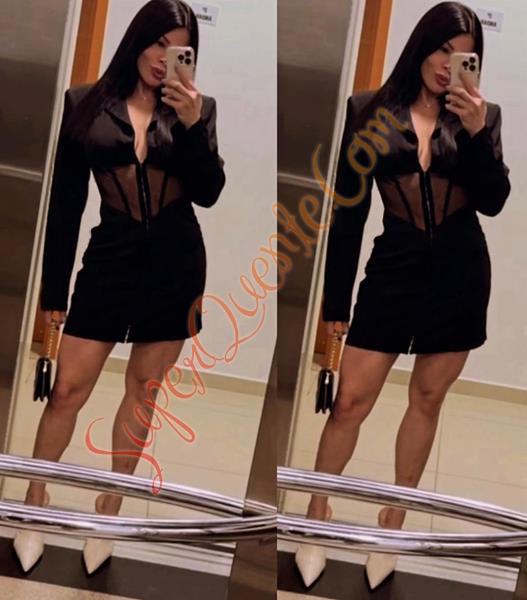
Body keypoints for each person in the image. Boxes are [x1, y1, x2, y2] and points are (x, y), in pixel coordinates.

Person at [295, 1, 510, 590]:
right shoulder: (368, 111)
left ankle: (394, 520)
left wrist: (474, 132)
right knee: (350, 401)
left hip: (461, 275)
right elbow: (347, 216)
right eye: (440, 50)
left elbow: (493, 201)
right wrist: (335, 308)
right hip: (392, 271)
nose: (447, 65)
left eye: (463, 56)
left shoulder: (483, 117)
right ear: (421, 46)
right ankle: (317, 515)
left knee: (427, 399)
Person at [14, 0, 225, 574]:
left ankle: (110, 507)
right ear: (138, 40)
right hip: (109, 260)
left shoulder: (199, 110)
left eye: (178, 49)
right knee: (67, 389)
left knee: (143, 392)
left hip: (177, 265)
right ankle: (34, 501)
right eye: (157, 43)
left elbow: (209, 192)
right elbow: (65, 207)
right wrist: (53, 297)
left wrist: (190, 124)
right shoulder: (84, 104)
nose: (163, 58)